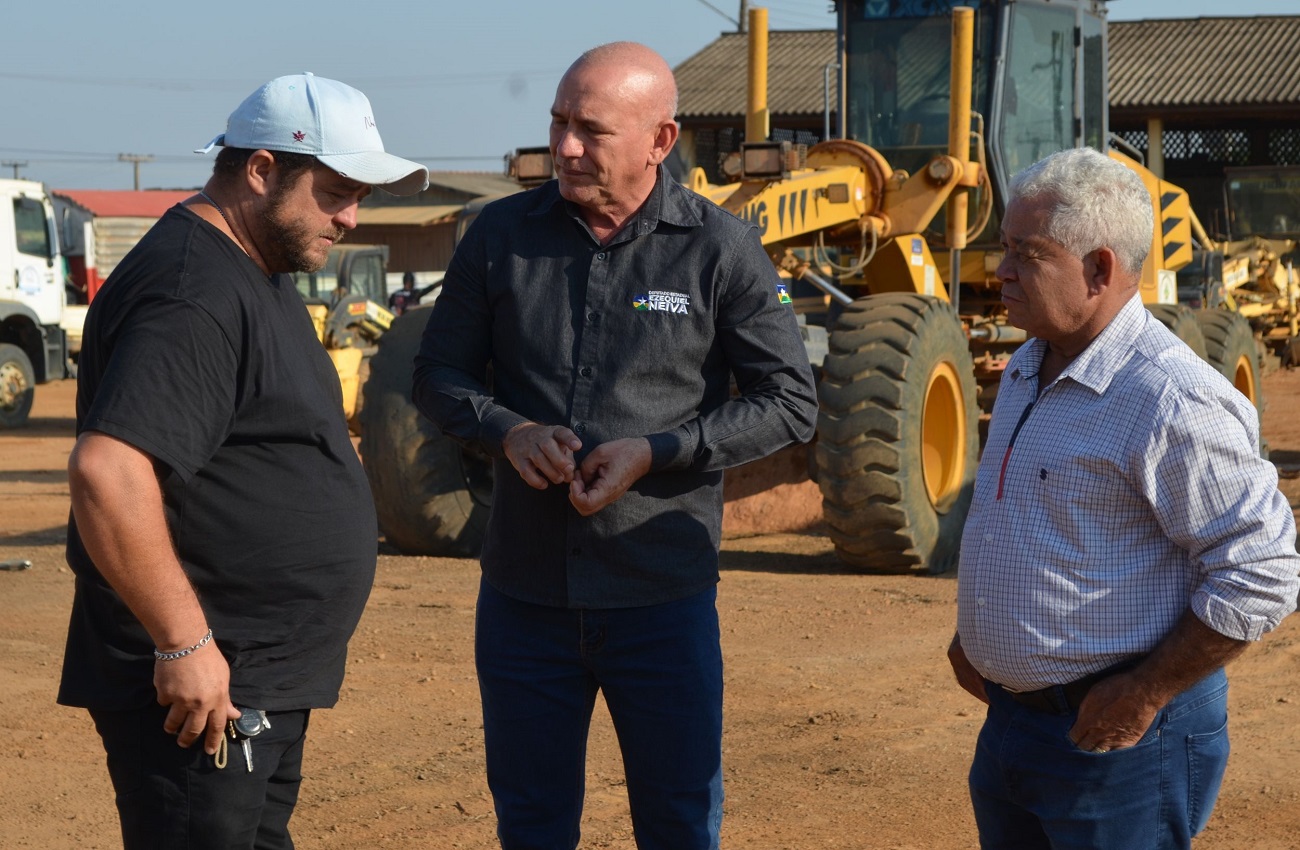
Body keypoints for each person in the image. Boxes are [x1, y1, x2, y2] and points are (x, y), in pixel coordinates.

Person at [412, 42, 817, 850]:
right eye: (558, 122)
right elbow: (435, 376)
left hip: (660, 601)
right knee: (531, 822)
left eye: (590, 131)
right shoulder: (498, 236)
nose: (564, 146)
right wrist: (508, 430)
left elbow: (791, 403)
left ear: (659, 141)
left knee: (677, 821)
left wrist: (658, 450)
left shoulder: (721, 248)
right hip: (524, 600)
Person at [59, 72, 428, 848]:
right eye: (334, 192)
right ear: (261, 170)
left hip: (249, 678)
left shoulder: (252, 270)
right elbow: (109, 472)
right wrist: (185, 644)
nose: (351, 216)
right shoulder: (193, 291)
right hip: (200, 690)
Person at [947, 147, 1300, 849]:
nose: (1001, 270)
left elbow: (1264, 571)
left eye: (1027, 252)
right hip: (1015, 728)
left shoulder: (1172, 399)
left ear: (1100, 269)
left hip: (1119, 746)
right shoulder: (1026, 363)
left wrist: (1145, 692)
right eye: (1003, 247)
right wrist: (983, 637)